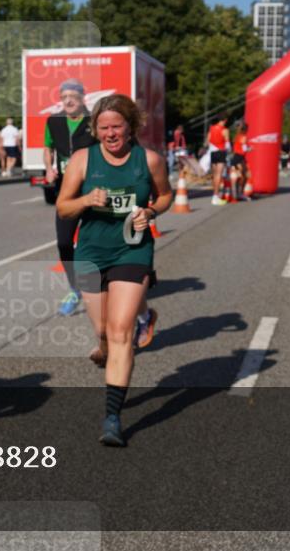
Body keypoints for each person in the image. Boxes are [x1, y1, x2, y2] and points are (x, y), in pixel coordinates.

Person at [55, 94, 173, 447]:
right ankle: (123, 333)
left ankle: (112, 418)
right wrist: (87, 200)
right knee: (104, 332)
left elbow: (165, 195)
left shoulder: (149, 160)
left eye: (117, 126)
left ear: (131, 126)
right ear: (95, 129)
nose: (110, 134)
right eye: (103, 127)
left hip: (131, 249)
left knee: (121, 331)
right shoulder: (82, 160)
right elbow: (63, 208)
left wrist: (150, 212)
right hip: (90, 251)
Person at [43, 79, 96, 316]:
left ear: (83, 98)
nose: (68, 101)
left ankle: (106, 287)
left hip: (94, 188)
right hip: (67, 189)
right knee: (64, 243)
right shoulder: (54, 122)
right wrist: (48, 168)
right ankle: (75, 289)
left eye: (72, 96)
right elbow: (48, 147)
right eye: (64, 97)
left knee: (94, 241)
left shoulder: (94, 121)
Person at [207, 114, 230, 205]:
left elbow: (208, 140)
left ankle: (215, 195)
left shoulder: (211, 128)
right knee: (218, 175)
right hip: (221, 152)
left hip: (213, 152)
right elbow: (227, 144)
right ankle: (215, 196)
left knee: (214, 175)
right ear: (224, 120)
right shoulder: (225, 130)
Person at [231, 122, 249, 200]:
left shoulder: (237, 136)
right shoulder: (243, 137)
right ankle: (239, 193)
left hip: (236, 157)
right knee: (244, 176)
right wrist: (250, 148)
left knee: (240, 175)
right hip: (240, 157)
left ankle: (236, 193)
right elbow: (244, 149)